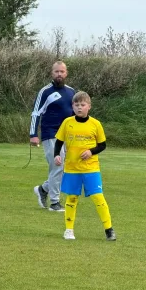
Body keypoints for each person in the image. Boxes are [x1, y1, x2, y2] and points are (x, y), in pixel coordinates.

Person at [54, 91, 116, 241]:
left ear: (89, 106)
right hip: (72, 168)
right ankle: (69, 230)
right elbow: (59, 141)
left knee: (98, 197)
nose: (79, 107)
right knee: (72, 198)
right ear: (72, 107)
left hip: (91, 168)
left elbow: (102, 145)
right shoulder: (67, 123)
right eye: (76, 105)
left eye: (82, 105)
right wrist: (56, 154)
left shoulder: (95, 124)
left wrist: (91, 151)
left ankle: (109, 229)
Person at [30, 61, 76, 212]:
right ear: (52, 73)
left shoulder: (71, 92)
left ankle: (43, 190)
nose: (59, 74)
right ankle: (55, 203)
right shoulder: (45, 91)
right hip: (50, 134)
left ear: (66, 73)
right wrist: (33, 134)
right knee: (58, 166)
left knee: (65, 168)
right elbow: (36, 112)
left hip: (67, 136)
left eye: (62, 72)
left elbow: (75, 114)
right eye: (56, 72)